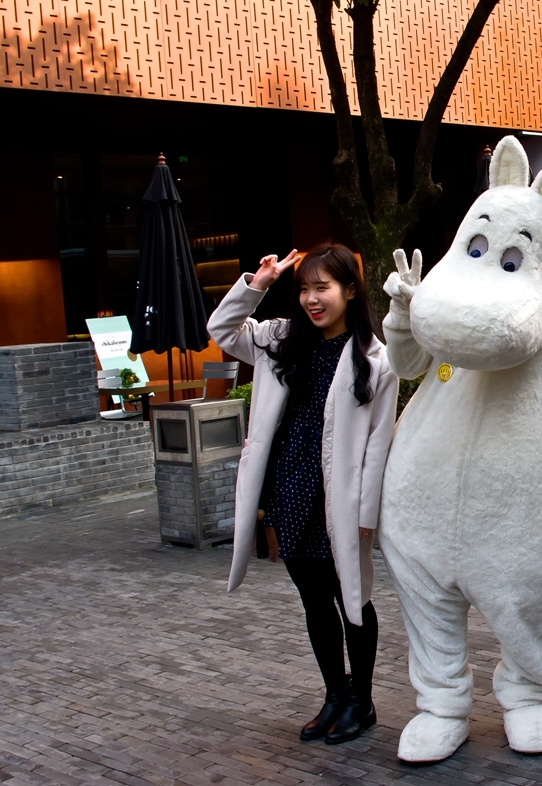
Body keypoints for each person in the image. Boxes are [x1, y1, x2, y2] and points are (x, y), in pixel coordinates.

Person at [208, 242, 397, 744]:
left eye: (324, 288)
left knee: (351, 596)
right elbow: (221, 330)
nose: (313, 299)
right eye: (306, 289)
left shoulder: (375, 361)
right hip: (291, 488)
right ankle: (334, 693)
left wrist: (367, 511)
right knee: (313, 598)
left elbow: (379, 443)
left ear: (350, 291)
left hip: (340, 497)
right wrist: (257, 285)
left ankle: (363, 700)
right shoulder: (278, 339)